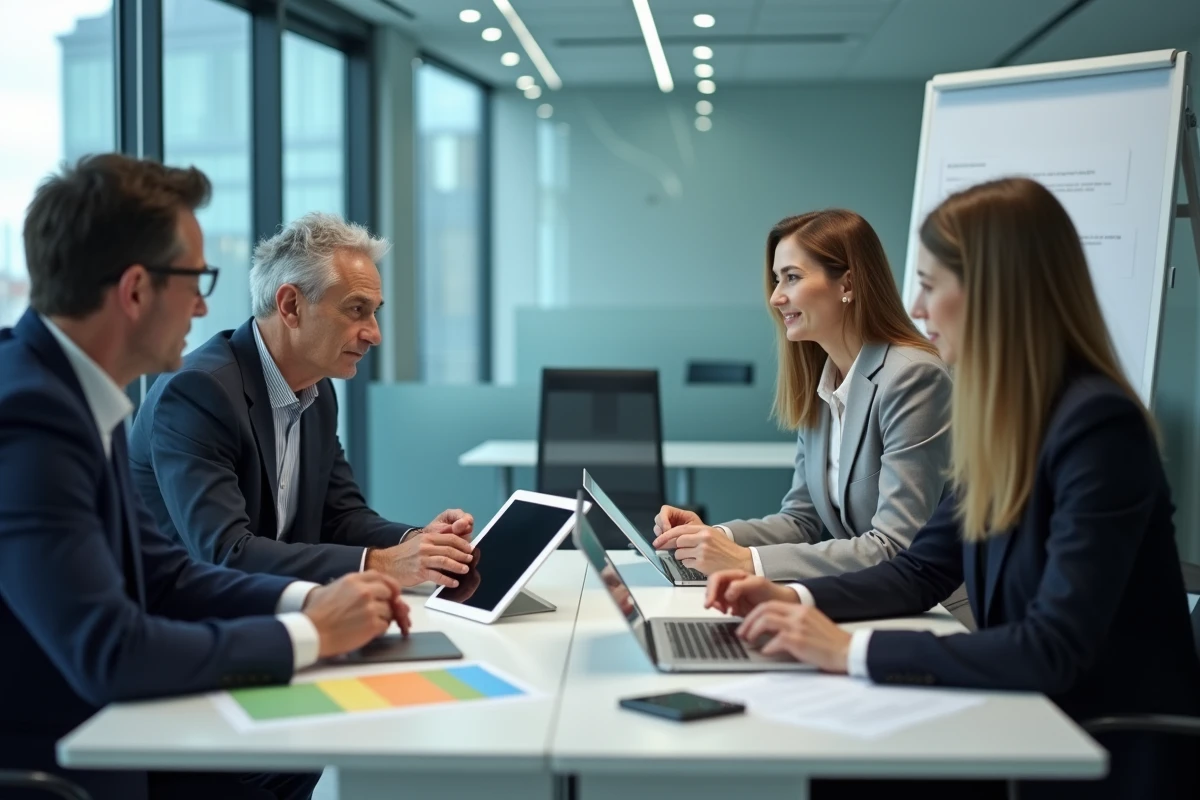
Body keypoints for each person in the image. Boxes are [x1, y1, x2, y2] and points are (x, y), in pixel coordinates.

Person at [705, 178, 1200, 800]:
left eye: (931, 286)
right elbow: (920, 571)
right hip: (1026, 713)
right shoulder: (1010, 420)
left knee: (847, 775)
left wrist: (850, 651)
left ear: (996, 294)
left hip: (1099, 747)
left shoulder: (1097, 426)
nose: (917, 308)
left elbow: (1052, 646)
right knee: (831, 765)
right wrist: (790, 596)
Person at [0, 154, 413, 800]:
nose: (201, 306)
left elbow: (163, 574)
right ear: (136, 290)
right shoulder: (31, 417)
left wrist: (309, 602)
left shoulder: (71, 396)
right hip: (70, 768)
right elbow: (112, 650)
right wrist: (310, 633)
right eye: (195, 280)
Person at [128, 212, 475, 587]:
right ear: (291, 306)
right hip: (180, 613)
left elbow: (340, 517)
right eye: (356, 310)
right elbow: (226, 553)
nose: (374, 334)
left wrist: (420, 543)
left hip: (269, 605)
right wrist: (383, 563)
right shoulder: (198, 391)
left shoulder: (318, 391)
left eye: (374, 312)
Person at [653, 211, 956, 590]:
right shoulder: (823, 381)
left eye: (792, 277)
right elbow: (802, 519)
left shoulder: (912, 377)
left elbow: (895, 545)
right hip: (867, 596)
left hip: (936, 609)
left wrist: (748, 561)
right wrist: (714, 537)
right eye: (777, 279)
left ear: (848, 283)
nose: (775, 296)